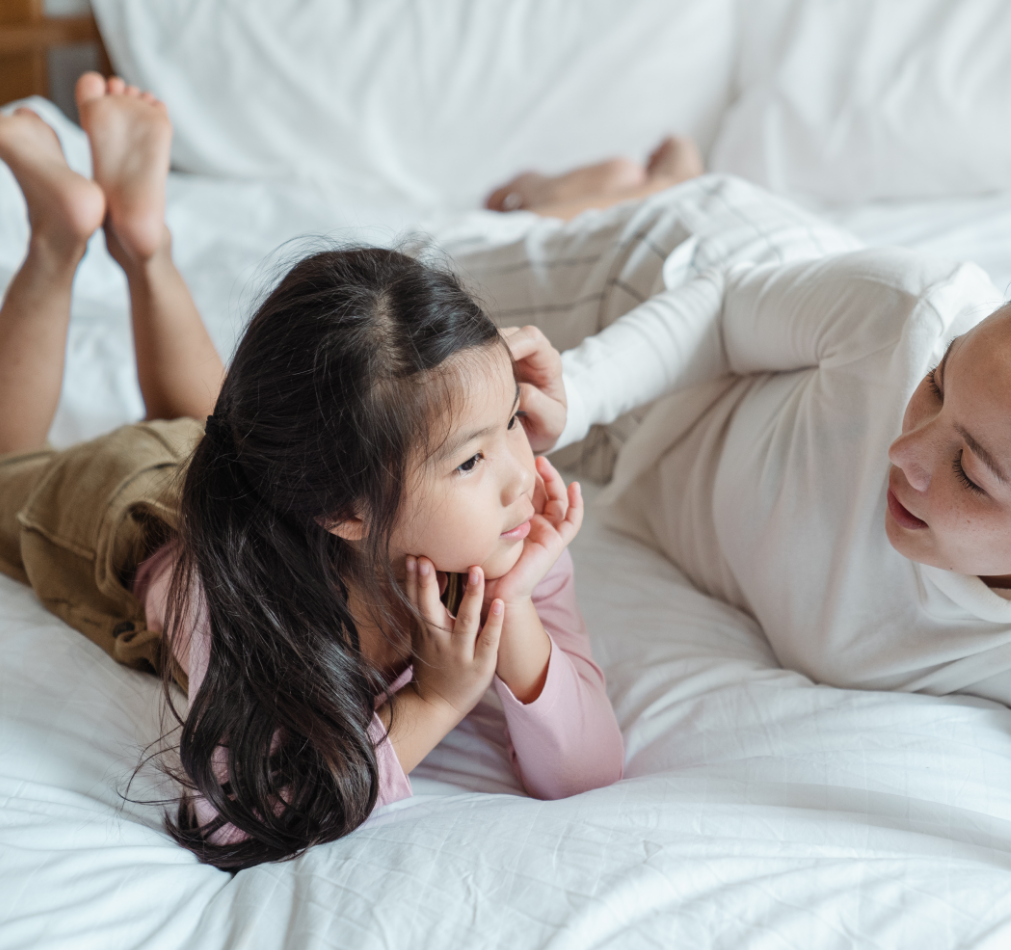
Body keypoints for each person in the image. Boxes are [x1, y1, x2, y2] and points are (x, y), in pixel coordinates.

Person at [450, 170, 1011, 927]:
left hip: (629, 468)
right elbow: (728, 308)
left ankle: (647, 169)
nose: (904, 452)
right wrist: (575, 398)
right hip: (650, 301)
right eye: (936, 388)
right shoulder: (906, 311)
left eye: (967, 472)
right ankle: (645, 182)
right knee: (414, 283)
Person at [0, 75, 623, 872]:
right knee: (12, 468)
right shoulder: (239, 596)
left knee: (208, 421)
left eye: (511, 421)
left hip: (249, 465)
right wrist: (433, 701)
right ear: (344, 510)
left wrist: (513, 604)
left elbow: (588, 769)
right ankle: (60, 236)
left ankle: (142, 238)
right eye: (470, 458)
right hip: (128, 508)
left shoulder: (503, 526)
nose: (517, 474)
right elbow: (236, 820)